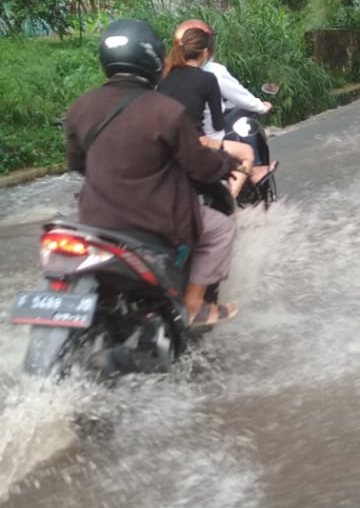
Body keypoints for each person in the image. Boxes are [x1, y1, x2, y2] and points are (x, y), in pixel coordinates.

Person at [64, 19, 245, 327]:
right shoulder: (165, 110)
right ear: (152, 61)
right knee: (219, 229)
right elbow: (199, 164)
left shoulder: (81, 106)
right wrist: (228, 164)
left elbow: (78, 164)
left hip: (95, 221)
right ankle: (194, 305)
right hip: (153, 220)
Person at [157, 26, 261, 198]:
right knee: (246, 155)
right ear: (205, 52)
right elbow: (218, 124)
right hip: (199, 144)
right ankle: (229, 202)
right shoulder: (208, 78)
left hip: (167, 145)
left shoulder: (164, 79)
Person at [171, 19, 275, 189]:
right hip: (205, 140)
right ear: (205, 49)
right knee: (245, 135)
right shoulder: (212, 74)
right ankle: (252, 172)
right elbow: (238, 100)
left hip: (178, 142)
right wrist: (261, 107)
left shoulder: (168, 75)